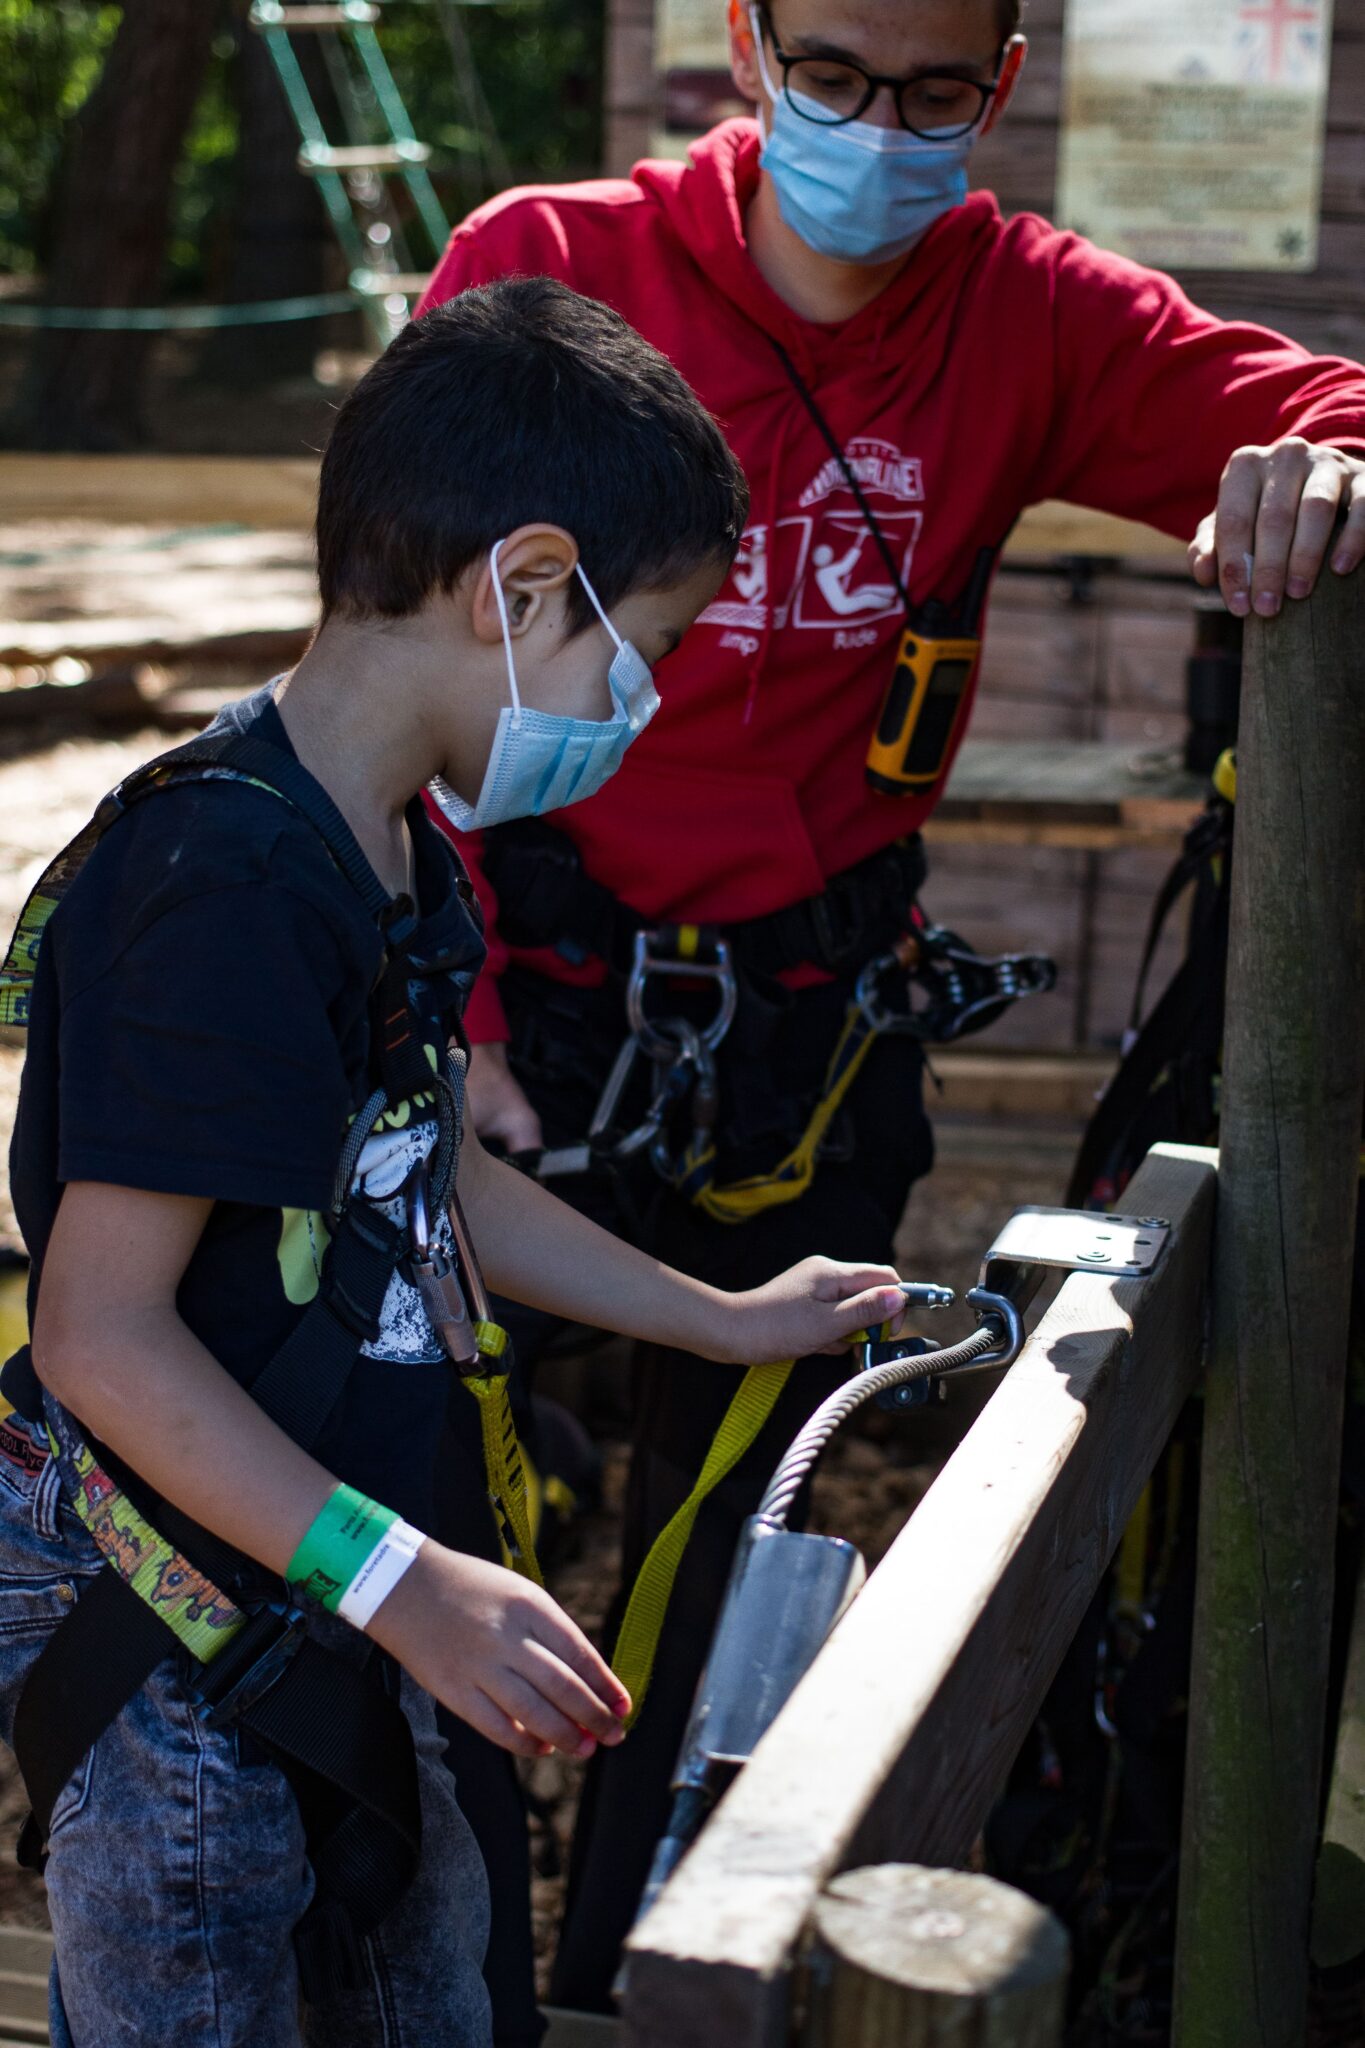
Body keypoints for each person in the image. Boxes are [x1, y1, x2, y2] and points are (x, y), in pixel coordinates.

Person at [414, 0, 1365, 2014]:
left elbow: (1334, 410)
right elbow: (390, 642)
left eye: (935, 97)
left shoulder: (1025, 318)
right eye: (834, 75)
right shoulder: (544, 273)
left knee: (726, 1559)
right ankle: (421, 1967)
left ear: (996, 91)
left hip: (797, 1042)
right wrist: (462, 1016)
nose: (877, 131)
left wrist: (1319, 485)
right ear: (746, 41)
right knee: (426, 1513)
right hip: (516, 1007)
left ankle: (641, 1973)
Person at [0, 276, 914, 2048]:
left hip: (342, 1581)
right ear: (520, 584)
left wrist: (711, 1318)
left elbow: (419, 1176)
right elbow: (100, 1337)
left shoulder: (389, 848)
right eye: (632, 653)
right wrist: (400, 1581)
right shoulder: (221, 890)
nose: (634, 708)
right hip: (190, 1647)